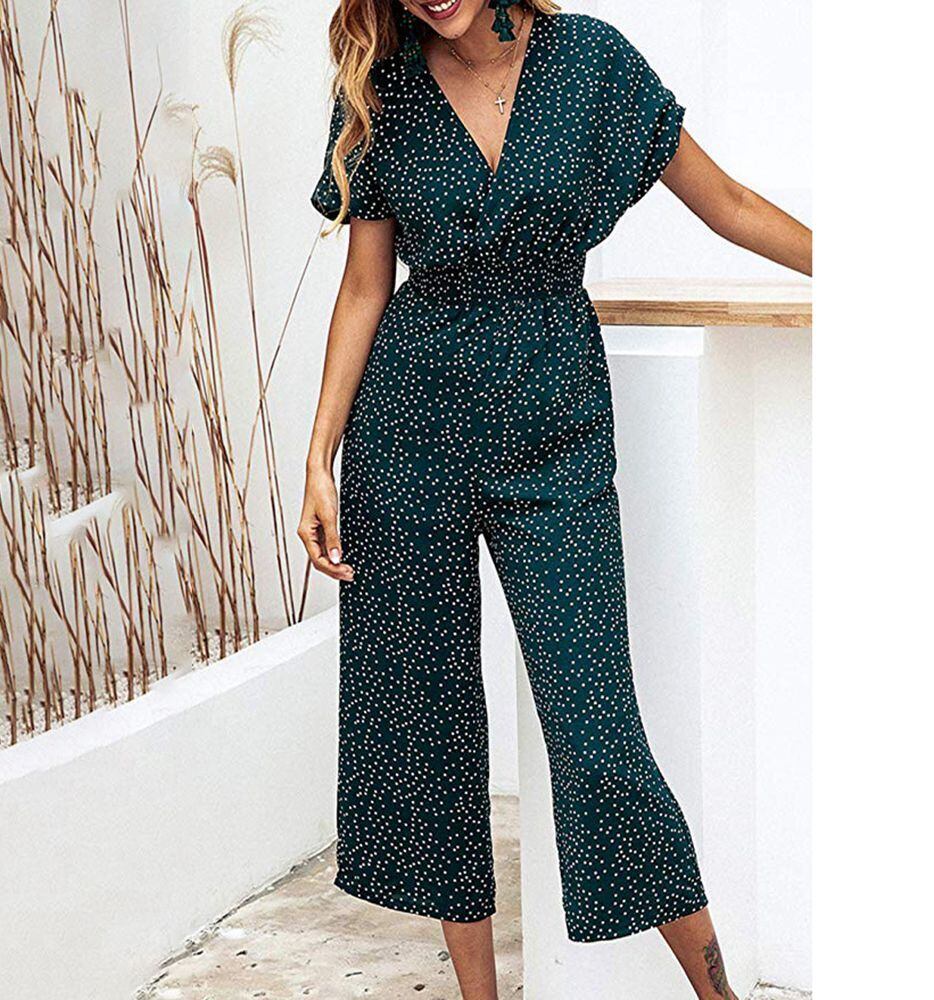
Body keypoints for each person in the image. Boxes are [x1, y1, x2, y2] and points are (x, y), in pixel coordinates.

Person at [299, 2, 811, 997]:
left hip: (553, 420)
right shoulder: (381, 91)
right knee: (428, 726)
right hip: (408, 433)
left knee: (597, 732)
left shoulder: (591, 64)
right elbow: (365, 286)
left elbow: (727, 200)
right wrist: (320, 456)